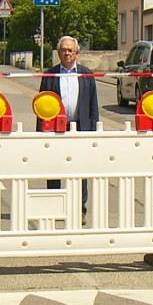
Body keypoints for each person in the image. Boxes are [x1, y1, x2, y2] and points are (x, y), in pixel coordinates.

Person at [38, 35, 100, 223]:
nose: (67, 53)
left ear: (76, 52)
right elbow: (41, 103)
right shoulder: (49, 75)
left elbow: (92, 105)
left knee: (80, 170)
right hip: (56, 128)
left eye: (70, 50)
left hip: (80, 127)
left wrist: (94, 132)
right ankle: (55, 208)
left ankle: (80, 210)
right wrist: (41, 133)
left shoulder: (86, 74)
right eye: (63, 50)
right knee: (54, 168)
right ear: (58, 53)